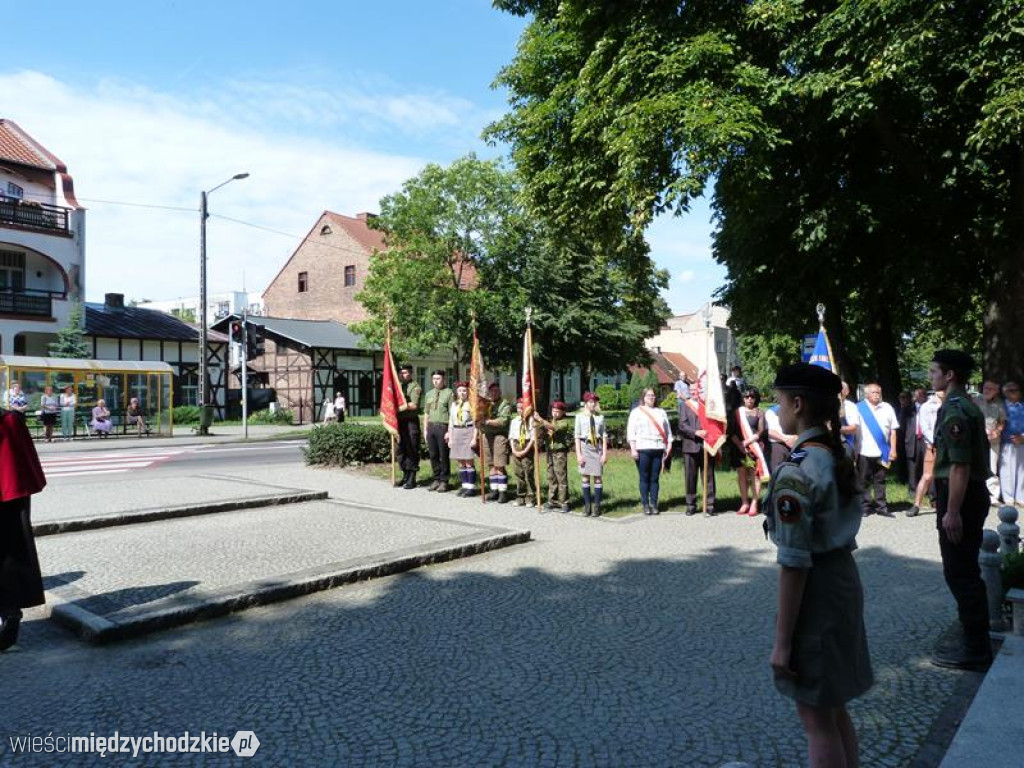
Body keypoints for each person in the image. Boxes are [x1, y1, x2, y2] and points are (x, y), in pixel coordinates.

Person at [766, 363, 872, 768]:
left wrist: (782, 642)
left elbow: (793, 563)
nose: (776, 411)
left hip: (818, 592)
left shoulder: (797, 470)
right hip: (842, 579)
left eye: (778, 401)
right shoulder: (831, 452)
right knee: (833, 707)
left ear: (797, 403)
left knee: (815, 717)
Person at [928, 350, 993, 669]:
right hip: (963, 493)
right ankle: (974, 640)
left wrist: (951, 511)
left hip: (962, 497)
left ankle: (976, 651)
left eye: (934, 370)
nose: (931, 376)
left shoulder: (955, 410)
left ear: (950, 375)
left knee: (960, 572)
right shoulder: (962, 404)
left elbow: (960, 466)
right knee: (963, 569)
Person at [0, 407, 48, 652]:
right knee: (12, 556)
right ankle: (9, 621)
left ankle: (8, 622)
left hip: (9, 501)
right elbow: (26, 467)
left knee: (10, 558)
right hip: (10, 497)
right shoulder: (10, 420)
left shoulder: (10, 420)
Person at [848, 382, 899, 517]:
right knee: (863, 480)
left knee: (880, 479)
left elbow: (893, 431)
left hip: (882, 451)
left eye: (878, 392)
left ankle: (881, 507)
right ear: (866, 394)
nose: (877, 395)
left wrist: (893, 449)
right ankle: (865, 507)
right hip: (864, 450)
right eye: (873, 392)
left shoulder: (887, 407)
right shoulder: (858, 408)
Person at [627, 387, 672, 515]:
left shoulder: (661, 412)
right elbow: (631, 431)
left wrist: (668, 447)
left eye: (653, 395)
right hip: (643, 448)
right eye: (648, 395)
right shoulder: (636, 412)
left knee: (654, 478)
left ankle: (654, 503)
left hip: (658, 448)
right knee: (644, 477)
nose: (651, 398)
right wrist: (633, 449)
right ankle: (645, 504)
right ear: (643, 398)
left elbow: (668, 431)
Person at [730, 387, 768, 517]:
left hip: (754, 447)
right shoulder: (737, 412)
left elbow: (761, 431)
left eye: (752, 397)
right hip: (739, 448)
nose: (750, 399)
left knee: (754, 475)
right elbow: (732, 432)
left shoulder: (760, 412)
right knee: (741, 475)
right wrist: (740, 445)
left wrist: (748, 442)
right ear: (743, 398)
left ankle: (754, 503)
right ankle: (744, 502)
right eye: (747, 397)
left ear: (756, 398)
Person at [678, 392, 716, 516]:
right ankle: (691, 505)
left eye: (698, 390)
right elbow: (682, 425)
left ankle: (710, 505)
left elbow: (715, 424)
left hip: (706, 445)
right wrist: (696, 432)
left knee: (709, 477)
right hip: (690, 445)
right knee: (690, 477)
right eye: (693, 390)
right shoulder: (685, 405)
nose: (695, 392)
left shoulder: (708, 405)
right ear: (690, 391)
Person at [908, 390, 945, 517]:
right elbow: (925, 427)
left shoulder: (952, 404)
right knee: (928, 476)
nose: (943, 392)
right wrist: (936, 441)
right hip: (933, 445)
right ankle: (916, 505)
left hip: (950, 446)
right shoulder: (927, 406)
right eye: (941, 390)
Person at [575, 392, 608, 517]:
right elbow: (577, 436)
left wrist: (604, 453)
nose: (592, 404)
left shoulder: (600, 417)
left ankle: (597, 506)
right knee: (585, 476)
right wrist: (579, 454)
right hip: (585, 446)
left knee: (598, 477)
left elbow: (604, 436)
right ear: (586, 403)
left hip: (597, 447)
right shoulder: (579, 417)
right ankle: (587, 504)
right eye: (590, 402)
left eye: (594, 402)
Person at [536, 401, 572, 513]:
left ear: (562, 412)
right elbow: (542, 432)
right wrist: (538, 426)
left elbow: (553, 427)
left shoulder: (564, 422)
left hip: (559, 452)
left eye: (557, 411)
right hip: (550, 451)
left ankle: (564, 501)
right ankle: (552, 500)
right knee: (551, 476)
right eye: (553, 411)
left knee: (561, 476)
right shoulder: (549, 420)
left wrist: (541, 420)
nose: (555, 413)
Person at [479, 381, 512, 503]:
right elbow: (478, 416)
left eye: (496, 391)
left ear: (500, 392)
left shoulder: (504, 404)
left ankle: (503, 492)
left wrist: (487, 421)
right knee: (491, 464)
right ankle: (494, 490)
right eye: (491, 391)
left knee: (499, 464)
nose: (493, 393)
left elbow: (503, 421)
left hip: (499, 436)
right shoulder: (485, 404)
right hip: (486, 436)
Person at [974, 380, 1006, 506]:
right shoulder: (976, 401)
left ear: (996, 391)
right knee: (976, 466)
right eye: (985, 388)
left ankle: (993, 496)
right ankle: (977, 495)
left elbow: (1002, 422)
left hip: (993, 440)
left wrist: (997, 431)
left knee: (992, 467)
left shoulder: (999, 404)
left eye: (990, 389)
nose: (986, 390)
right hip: (977, 439)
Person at [422, 370, 453, 492]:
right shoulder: (429, 394)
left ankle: (444, 480)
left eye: (438, 378)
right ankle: (436, 478)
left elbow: (452, 414)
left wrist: (449, 431)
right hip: (431, 427)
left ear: (443, 379)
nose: (436, 381)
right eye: (434, 379)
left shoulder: (449, 393)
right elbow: (426, 413)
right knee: (433, 455)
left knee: (443, 455)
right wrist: (425, 429)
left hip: (443, 427)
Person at [447, 381, 479, 497]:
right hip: (456, 432)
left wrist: (474, 438)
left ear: (468, 392)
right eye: (460, 390)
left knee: (469, 461)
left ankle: (471, 487)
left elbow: (476, 423)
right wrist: (450, 437)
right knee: (461, 462)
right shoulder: (454, 404)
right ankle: (464, 485)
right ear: (457, 392)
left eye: (464, 390)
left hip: (468, 432)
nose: (462, 393)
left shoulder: (471, 404)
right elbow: (451, 421)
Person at [395, 364, 422, 490]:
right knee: (400, 449)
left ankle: (412, 477)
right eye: (401, 372)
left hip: (410, 421)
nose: (402, 374)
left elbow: (414, 405)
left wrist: (399, 407)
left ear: (410, 373)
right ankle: (405, 474)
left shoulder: (415, 386)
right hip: (399, 422)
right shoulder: (398, 386)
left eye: (405, 372)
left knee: (412, 448)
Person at [1000, 380, 1024, 507]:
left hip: (1022, 442)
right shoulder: (1001, 406)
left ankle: (1021, 497)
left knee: (1022, 471)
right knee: (1007, 471)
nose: (1015, 392)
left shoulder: (1023, 406)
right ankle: (1008, 498)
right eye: (1011, 390)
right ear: (1005, 393)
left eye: (1017, 390)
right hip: (1006, 442)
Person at [508, 398, 536, 507]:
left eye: (522, 408)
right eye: (518, 408)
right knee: (518, 473)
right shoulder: (514, 421)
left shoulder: (531, 421)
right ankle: (520, 496)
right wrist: (514, 450)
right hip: (516, 446)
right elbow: (510, 437)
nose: (520, 410)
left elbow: (533, 439)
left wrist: (525, 450)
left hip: (527, 446)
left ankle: (531, 497)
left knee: (528, 473)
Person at [903, 388, 928, 495]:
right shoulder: (908, 409)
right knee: (912, 465)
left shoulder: (929, 408)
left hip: (926, 439)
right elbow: (903, 425)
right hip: (913, 439)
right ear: (915, 397)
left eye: (923, 394)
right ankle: (913, 489)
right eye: (918, 395)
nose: (921, 396)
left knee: (927, 464)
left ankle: (929, 490)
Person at [765, 402, 798, 475]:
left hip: (796, 444)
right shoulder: (771, 412)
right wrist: (785, 439)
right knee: (777, 472)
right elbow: (770, 431)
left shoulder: (798, 410)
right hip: (778, 445)